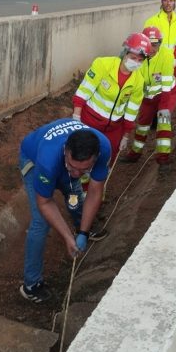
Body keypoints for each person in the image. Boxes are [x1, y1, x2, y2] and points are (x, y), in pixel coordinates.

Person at [19, 120, 111, 303]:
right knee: (41, 222)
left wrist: (83, 232)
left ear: (95, 157)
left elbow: (94, 191)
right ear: (66, 152)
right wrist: (68, 238)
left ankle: (82, 228)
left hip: (59, 159)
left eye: (84, 169)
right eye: (72, 167)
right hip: (32, 157)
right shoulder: (47, 161)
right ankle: (31, 284)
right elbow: (45, 202)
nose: (76, 174)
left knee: (75, 194)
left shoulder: (104, 147)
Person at [71, 32, 149, 162]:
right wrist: (76, 118)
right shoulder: (103, 65)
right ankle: (82, 182)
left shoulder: (138, 81)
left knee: (107, 160)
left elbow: (131, 111)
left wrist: (125, 135)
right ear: (125, 53)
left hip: (114, 128)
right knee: (83, 156)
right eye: (133, 58)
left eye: (140, 60)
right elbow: (83, 91)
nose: (136, 63)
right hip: (90, 122)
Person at [120, 26, 176, 165]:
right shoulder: (139, 57)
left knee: (163, 121)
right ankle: (135, 154)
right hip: (147, 97)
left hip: (167, 93)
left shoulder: (166, 55)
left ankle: (163, 158)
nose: (152, 48)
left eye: (156, 44)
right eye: (150, 44)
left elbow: (165, 86)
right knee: (143, 124)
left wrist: (163, 108)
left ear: (160, 43)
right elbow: (135, 82)